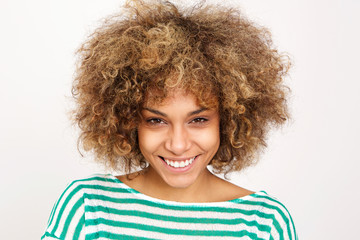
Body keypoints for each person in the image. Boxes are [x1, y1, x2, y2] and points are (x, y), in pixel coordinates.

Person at [41, 0, 297, 239]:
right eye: (156, 121)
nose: (177, 145)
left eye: (198, 120)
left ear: (228, 121)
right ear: (128, 121)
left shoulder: (262, 223)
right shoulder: (88, 208)